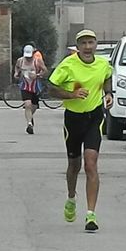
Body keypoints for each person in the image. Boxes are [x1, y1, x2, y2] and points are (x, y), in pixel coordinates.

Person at [48, 29, 113, 232]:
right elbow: (51, 87)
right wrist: (72, 94)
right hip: (73, 120)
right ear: (77, 47)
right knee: (74, 166)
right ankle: (70, 197)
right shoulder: (68, 65)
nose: (87, 47)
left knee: (91, 164)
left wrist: (108, 93)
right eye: (83, 43)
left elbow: (107, 77)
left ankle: (91, 215)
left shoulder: (103, 63)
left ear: (96, 45)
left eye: (91, 42)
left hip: (94, 117)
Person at [14, 44, 47, 134]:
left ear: (33, 53)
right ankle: (29, 124)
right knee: (27, 104)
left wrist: (37, 75)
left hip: (35, 86)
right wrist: (16, 74)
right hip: (25, 85)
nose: (28, 58)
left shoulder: (37, 61)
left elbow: (45, 70)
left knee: (34, 105)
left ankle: (30, 117)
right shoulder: (20, 61)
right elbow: (17, 68)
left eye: (30, 56)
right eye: (26, 56)